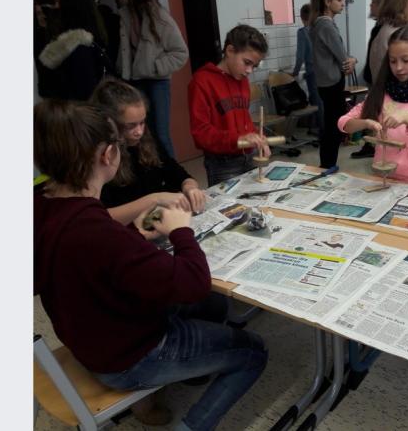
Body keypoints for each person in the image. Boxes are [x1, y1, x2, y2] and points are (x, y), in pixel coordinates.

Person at [34, 100, 268, 430]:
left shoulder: (41, 204)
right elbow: (193, 282)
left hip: (90, 336)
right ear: (108, 155)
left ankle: (193, 371)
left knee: (211, 303)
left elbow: (89, 261)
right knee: (253, 351)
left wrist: (133, 235)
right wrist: (181, 230)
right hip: (128, 356)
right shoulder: (95, 230)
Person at [338, 26, 408, 185]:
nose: (399, 67)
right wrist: (366, 123)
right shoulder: (382, 92)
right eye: (393, 61)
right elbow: (343, 123)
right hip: (381, 176)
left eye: (406, 60)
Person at [90, 78, 206, 224]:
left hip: (157, 224)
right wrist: (154, 199)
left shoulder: (146, 138)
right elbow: (100, 217)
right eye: (130, 126)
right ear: (110, 124)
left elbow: (176, 172)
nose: (139, 132)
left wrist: (189, 187)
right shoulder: (100, 158)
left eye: (142, 122)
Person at [187, 24, 271, 186]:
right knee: (229, 207)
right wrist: (238, 138)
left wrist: (258, 137)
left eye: (254, 65)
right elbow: (201, 134)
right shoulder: (201, 82)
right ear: (230, 51)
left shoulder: (242, 80)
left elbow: (243, 121)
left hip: (249, 154)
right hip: (223, 163)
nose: (249, 71)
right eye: (247, 62)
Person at [116, 0, 189, 159]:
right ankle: (151, 174)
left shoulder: (158, 15)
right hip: (134, 82)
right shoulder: (124, 14)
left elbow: (181, 52)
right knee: (139, 134)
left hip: (157, 81)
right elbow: (125, 51)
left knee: (161, 133)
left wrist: (155, 67)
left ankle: (174, 176)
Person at [37, 0, 114, 101]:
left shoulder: (77, 47)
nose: (55, 7)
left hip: (79, 112)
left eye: (59, 3)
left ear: (70, 8)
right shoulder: (92, 40)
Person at [309, 0, 357, 168]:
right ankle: (328, 165)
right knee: (334, 127)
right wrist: (353, 60)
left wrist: (350, 61)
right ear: (327, 2)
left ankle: (328, 164)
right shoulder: (326, 25)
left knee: (331, 125)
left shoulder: (319, 24)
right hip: (331, 83)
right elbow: (344, 61)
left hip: (325, 82)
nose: (343, 3)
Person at [352, 0, 388, 160]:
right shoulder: (378, 27)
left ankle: (374, 146)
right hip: (373, 79)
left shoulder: (384, 29)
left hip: (379, 82)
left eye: (373, 3)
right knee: (371, 113)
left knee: (376, 114)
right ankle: (370, 145)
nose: (370, 6)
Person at [292, 4, 325, 134]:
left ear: (302, 17)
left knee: (317, 102)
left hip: (313, 72)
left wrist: (294, 73)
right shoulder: (321, 29)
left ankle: (322, 130)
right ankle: (318, 127)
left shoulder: (303, 32)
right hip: (325, 72)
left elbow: (300, 57)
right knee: (323, 101)